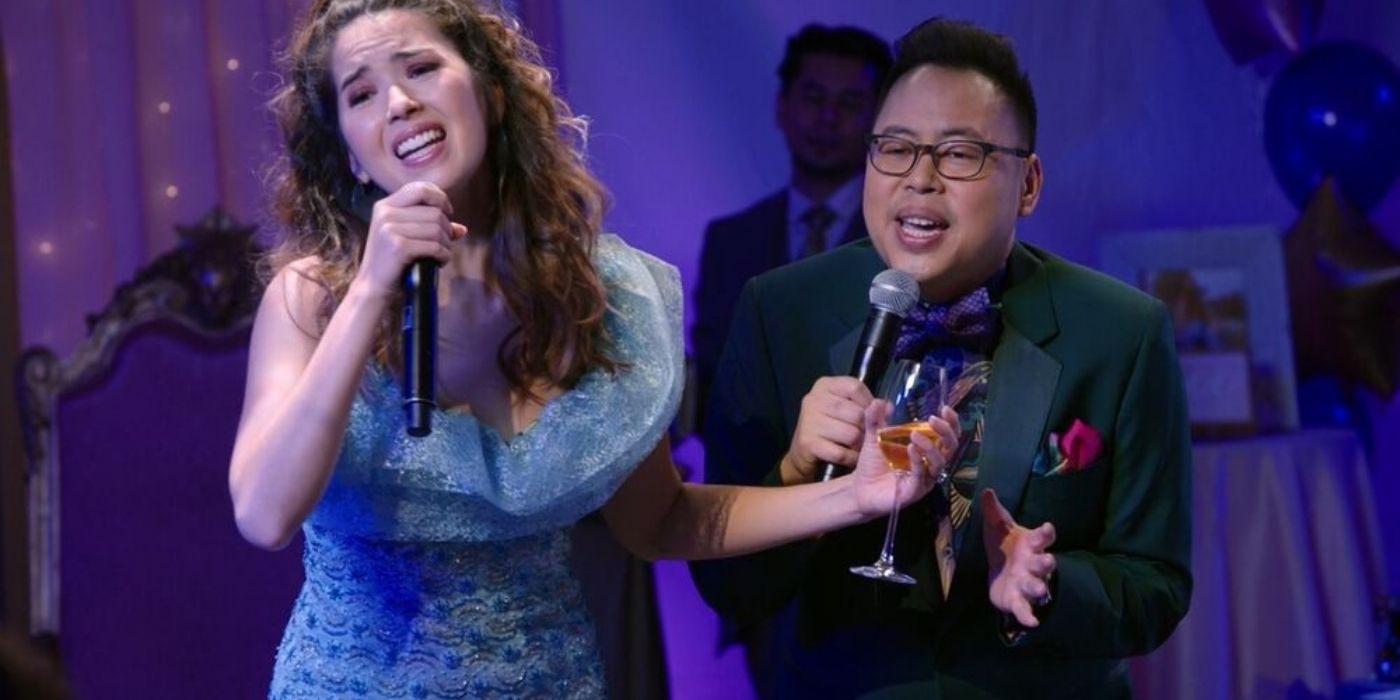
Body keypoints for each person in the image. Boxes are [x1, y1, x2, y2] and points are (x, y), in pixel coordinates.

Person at [227, 1, 960, 697]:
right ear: (353, 158)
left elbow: (662, 521)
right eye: (361, 94)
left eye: (420, 69)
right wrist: (371, 292)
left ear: (490, 92)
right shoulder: (314, 299)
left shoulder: (594, 295)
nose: (398, 103)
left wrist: (849, 498)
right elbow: (264, 515)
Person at [691, 16, 1193, 699]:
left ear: (1028, 184)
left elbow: (1157, 585)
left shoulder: (1120, 332)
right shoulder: (781, 313)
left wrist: (1045, 584)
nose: (920, 180)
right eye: (894, 148)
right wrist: (796, 473)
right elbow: (727, 588)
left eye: (960, 154)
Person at [692, 24, 891, 434]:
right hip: (750, 477)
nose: (828, 118)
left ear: (879, 120)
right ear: (782, 106)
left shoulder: (902, 239)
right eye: (813, 97)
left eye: (850, 103)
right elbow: (717, 377)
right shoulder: (730, 240)